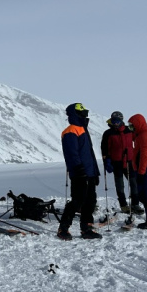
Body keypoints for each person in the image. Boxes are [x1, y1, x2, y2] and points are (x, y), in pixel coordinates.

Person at [58, 103, 102, 240]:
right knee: (77, 201)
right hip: (79, 173)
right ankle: (63, 228)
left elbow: (89, 154)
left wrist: (95, 173)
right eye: (82, 112)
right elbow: (72, 153)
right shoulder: (71, 131)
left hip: (89, 172)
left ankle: (86, 228)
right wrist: (79, 169)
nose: (85, 114)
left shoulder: (82, 129)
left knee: (90, 201)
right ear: (76, 113)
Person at [99, 111, 141, 214]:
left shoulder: (129, 130)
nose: (115, 123)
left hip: (129, 162)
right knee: (120, 185)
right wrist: (106, 162)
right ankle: (123, 205)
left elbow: (138, 140)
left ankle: (135, 204)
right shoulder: (108, 133)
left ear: (121, 120)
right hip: (116, 163)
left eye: (117, 121)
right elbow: (104, 149)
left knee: (133, 183)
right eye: (114, 121)